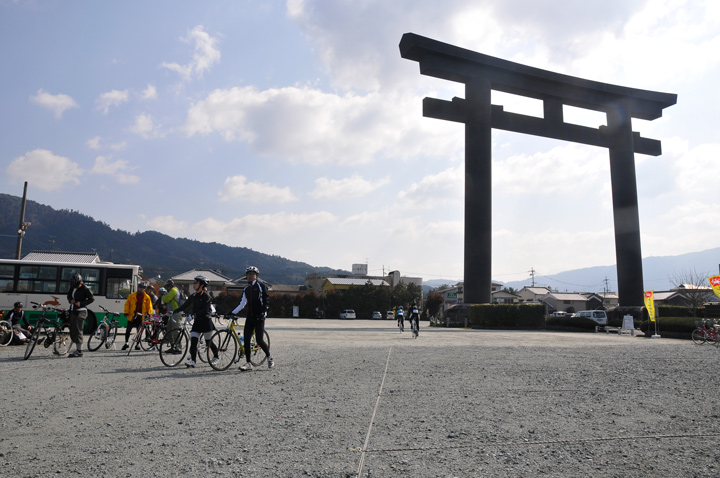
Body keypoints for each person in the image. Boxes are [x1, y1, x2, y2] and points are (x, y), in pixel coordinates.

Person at [231, 266, 273, 371]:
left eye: (252, 274)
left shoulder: (261, 286)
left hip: (260, 316)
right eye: (248, 274)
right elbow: (242, 304)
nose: (250, 276)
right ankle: (248, 363)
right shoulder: (246, 289)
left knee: (259, 340)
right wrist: (231, 313)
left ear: (256, 275)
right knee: (246, 341)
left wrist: (264, 313)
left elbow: (266, 301)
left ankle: (269, 357)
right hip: (250, 317)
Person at [174, 275, 219, 367]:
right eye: (194, 282)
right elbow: (186, 304)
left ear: (202, 285)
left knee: (208, 342)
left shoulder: (206, 296)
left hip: (206, 321)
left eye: (196, 283)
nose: (194, 284)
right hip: (197, 322)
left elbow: (206, 310)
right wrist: (176, 310)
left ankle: (216, 357)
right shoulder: (194, 295)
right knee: (193, 341)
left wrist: (194, 315)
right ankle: (193, 361)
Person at [67, 273, 95, 357]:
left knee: (78, 327)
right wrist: (70, 300)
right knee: (72, 328)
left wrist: (81, 303)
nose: (76, 287)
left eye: (77, 285)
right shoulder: (73, 287)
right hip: (73, 309)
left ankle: (79, 351)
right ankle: (76, 347)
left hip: (82, 310)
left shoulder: (85, 288)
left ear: (81, 282)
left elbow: (92, 298)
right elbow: (68, 295)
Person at [122, 282, 153, 350]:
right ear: (138, 287)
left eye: (143, 288)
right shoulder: (132, 295)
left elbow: (149, 307)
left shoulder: (147, 297)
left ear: (145, 289)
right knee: (128, 330)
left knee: (139, 331)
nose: (142, 289)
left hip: (141, 316)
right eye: (140, 287)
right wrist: (126, 312)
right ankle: (126, 343)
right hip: (132, 315)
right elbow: (127, 304)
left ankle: (137, 344)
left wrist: (149, 315)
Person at [161, 279, 183, 354]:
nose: (166, 288)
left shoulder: (173, 290)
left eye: (167, 286)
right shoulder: (171, 291)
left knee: (175, 331)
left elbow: (166, 299)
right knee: (169, 330)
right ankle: (173, 347)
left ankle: (179, 348)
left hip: (177, 313)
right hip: (171, 314)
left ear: (170, 286)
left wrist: (163, 296)